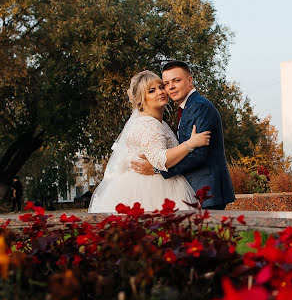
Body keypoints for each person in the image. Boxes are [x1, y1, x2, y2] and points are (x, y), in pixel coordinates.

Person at [88, 70, 211, 213]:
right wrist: (190, 144)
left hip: (161, 183)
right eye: (152, 91)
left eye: (160, 87)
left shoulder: (159, 123)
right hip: (151, 190)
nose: (160, 92)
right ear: (141, 99)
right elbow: (160, 160)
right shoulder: (148, 124)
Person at [131, 61, 235, 210]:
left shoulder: (198, 107)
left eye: (176, 80)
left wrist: (156, 170)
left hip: (206, 189)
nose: (170, 87)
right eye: (166, 83)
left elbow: (198, 155)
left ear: (190, 80)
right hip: (200, 190)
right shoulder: (188, 107)